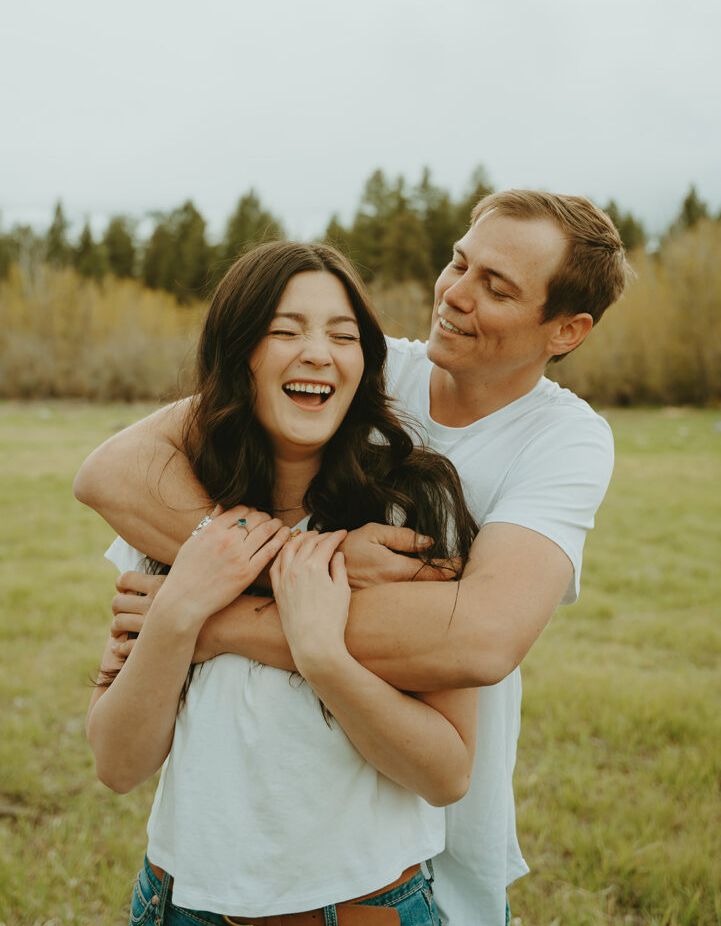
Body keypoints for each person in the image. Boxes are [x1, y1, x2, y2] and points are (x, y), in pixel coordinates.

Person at [75, 189, 631, 926]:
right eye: (458, 263)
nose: (454, 296)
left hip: (391, 847)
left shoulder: (554, 443)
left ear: (566, 329)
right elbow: (109, 472)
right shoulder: (361, 369)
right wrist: (291, 567)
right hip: (190, 888)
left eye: (495, 287)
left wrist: (211, 621)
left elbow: (478, 637)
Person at [84, 241, 482, 926]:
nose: (318, 353)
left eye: (343, 335)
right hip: (177, 904)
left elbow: (445, 774)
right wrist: (181, 612)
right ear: (239, 353)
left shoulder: (412, 510)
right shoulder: (174, 515)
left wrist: (321, 654)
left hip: (357, 910)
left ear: (364, 364)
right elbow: (118, 764)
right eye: (284, 330)